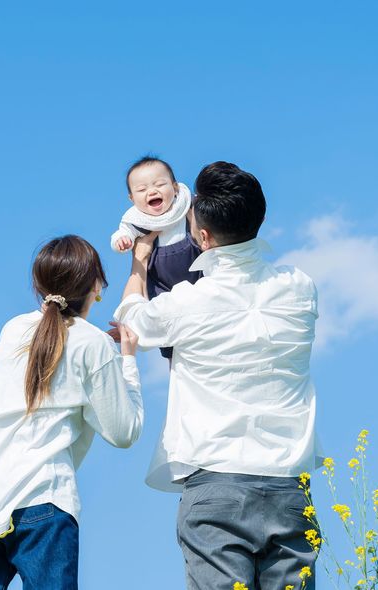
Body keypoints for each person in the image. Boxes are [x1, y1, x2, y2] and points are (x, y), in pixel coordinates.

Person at [113, 162, 322, 590]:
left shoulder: (188, 303)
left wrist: (139, 264)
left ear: (203, 238)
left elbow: (131, 319)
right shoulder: (300, 287)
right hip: (289, 484)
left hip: (215, 479)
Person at [0, 235, 144, 589]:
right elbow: (123, 432)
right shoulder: (93, 343)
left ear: (39, 285)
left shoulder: (13, 330)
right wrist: (126, 360)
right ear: (96, 286)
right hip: (43, 497)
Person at [110, 155, 204, 359]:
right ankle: (171, 355)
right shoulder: (137, 220)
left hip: (195, 270)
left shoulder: (185, 205)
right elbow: (122, 232)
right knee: (165, 328)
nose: (152, 191)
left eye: (160, 184)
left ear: (175, 188)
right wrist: (122, 241)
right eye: (142, 189)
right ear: (132, 199)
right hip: (161, 282)